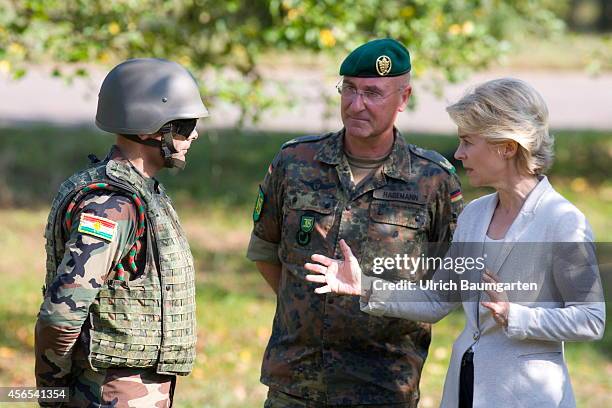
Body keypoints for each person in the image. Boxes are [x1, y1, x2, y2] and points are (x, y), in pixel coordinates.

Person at [305, 78, 606, 407]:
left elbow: (590, 319)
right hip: (465, 389)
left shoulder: (563, 221)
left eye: (467, 142)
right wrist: (365, 286)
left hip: (527, 397)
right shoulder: (474, 215)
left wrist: (517, 317)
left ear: (506, 145)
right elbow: (437, 299)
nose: (459, 154)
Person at [246, 38, 464, 407]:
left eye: (373, 93)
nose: (356, 104)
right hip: (297, 380)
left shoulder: (432, 180)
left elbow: (449, 282)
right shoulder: (295, 161)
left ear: (403, 97)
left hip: (383, 383)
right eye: (349, 89)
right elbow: (266, 250)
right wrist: (304, 307)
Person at [35, 58, 208, 407]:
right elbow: (62, 312)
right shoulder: (111, 207)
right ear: (148, 130)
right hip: (111, 392)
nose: (194, 134)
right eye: (185, 125)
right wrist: (52, 393)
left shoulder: (138, 193)